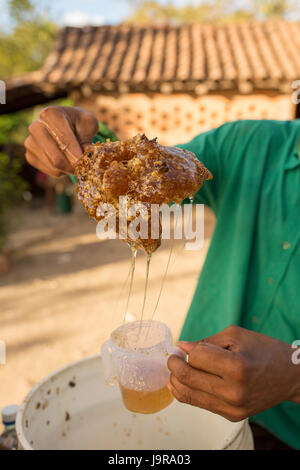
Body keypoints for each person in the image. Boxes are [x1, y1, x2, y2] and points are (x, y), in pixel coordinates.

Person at [25, 106, 300, 450]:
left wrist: (294, 378)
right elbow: (149, 170)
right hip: (198, 398)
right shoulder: (247, 144)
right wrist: (79, 147)